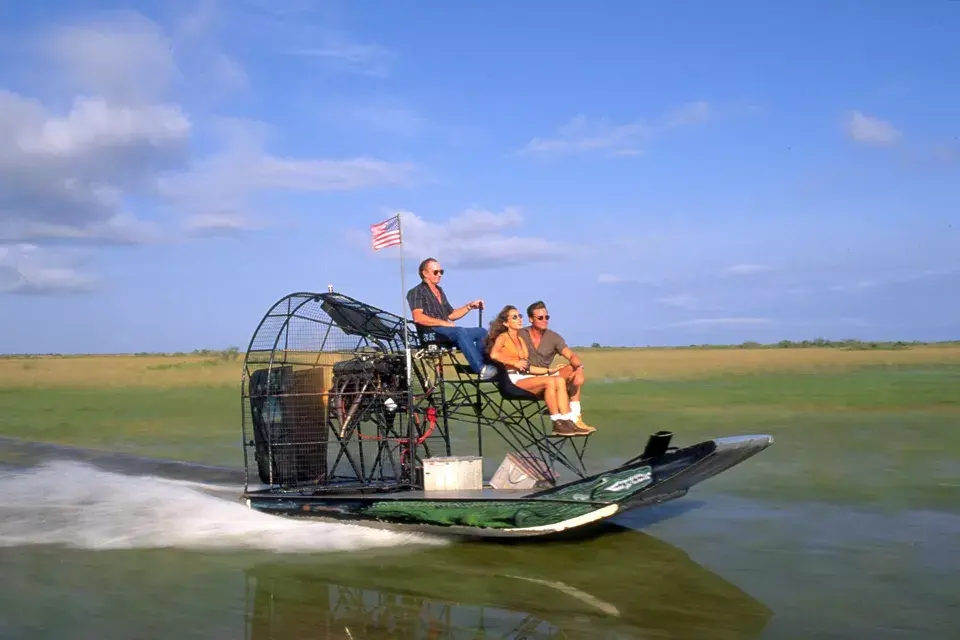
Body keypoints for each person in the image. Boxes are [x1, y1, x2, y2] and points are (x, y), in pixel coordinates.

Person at [484, 305, 589, 437]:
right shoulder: (503, 337)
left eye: (520, 316)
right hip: (512, 380)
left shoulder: (521, 340)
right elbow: (494, 355)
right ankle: (556, 421)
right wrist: (513, 362)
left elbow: (528, 367)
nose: (519, 319)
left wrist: (549, 370)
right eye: (515, 317)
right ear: (506, 323)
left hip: (524, 376)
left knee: (558, 380)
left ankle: (567, 420)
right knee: (550, 382)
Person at [406, 257, 496, 379]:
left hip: (445, 330)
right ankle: (480, 368)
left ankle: (483, 364)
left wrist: (469, 306)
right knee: (459, 332)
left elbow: (451, 315)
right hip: (430, 333)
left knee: (482, 332)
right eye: (435, 272)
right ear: (425, 273)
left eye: (441, 272)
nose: (439, 275)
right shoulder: (416, 292)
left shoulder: (439, 291)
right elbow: (418, 317)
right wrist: (444, 323)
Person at [518, 301, 595, 433]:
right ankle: (560, 412)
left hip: (546, 376)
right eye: (540, 318)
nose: (545, 320)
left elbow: (571, 356)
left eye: (547, 317)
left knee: (572, 369)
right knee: (555, 380)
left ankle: (575, 417)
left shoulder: (553, 337)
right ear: (531, 319)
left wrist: (580, 369)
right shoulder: (520, 334)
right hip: (526, 377)